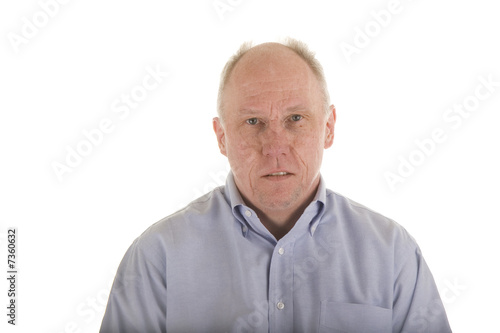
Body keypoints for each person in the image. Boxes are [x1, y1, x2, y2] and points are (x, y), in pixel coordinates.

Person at [100, 38, 452, 332]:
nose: (275, 147)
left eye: (295, 119)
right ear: (221, 137)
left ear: (328, 127)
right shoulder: (157, 257)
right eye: (253, 121)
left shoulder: (392, 254)